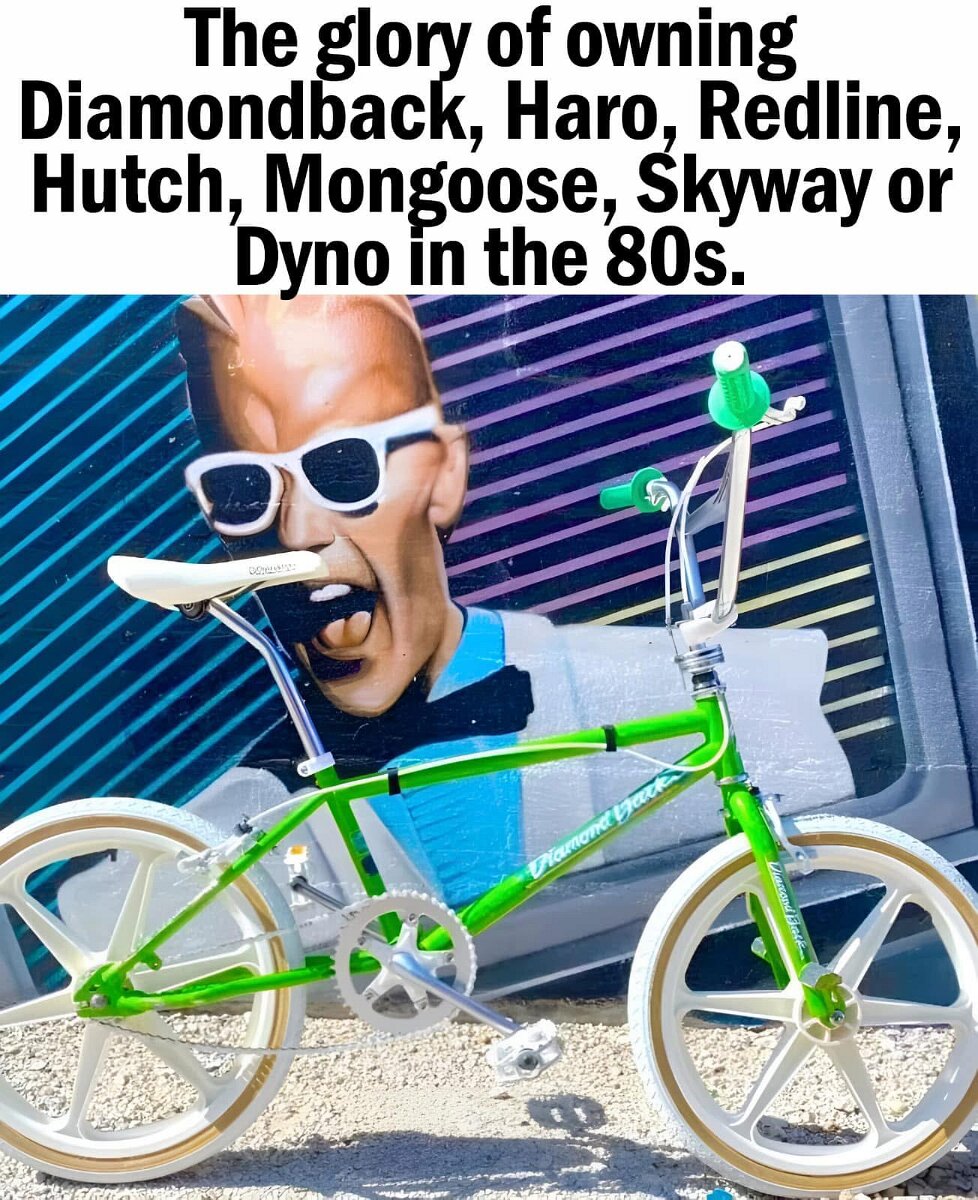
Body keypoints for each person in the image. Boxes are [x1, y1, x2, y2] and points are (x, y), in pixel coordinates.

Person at [167, 294, 853, 919]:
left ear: (443, 475)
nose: (299, 529)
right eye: (242, 489)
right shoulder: (201, 845)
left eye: (344, 467)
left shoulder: (761, 707)